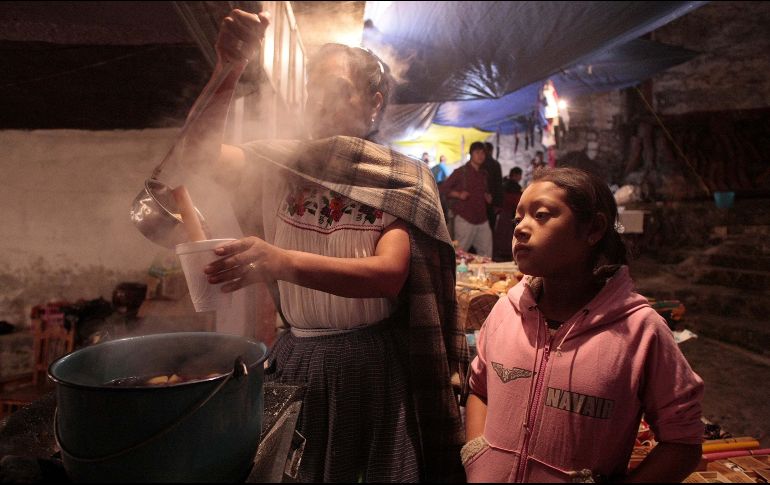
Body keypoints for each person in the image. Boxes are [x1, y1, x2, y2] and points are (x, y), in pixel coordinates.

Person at [160, 8, 468, 483]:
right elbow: (196, 151)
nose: (319, 102)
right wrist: (229, 66)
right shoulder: (280, 167)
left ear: (373, 103)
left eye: (338, 89)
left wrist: (279, 261)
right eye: (312, 90)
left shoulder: (399, 179)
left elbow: (388, 275)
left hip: (372, 365)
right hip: (299, 358)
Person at [462, 167, 704, 482]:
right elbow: (479, 389)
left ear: (593, 229)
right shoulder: (505, 312)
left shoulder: (641, 331)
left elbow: (683, 442)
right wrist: (477, 458)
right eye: (517, 219)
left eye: (542, 215)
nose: (520, 228)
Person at [439, 142, 493, 257]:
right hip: (465, 218)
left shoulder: (484, 174)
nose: (481, 156)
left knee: (487, 254)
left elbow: (483, 191)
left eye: (483, 153)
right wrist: (458, 194)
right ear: (471, 154)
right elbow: (442, 189)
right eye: (477, 152)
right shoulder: (460, 172)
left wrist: (486, 196)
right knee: (459, 254)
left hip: (482, 218)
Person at [492, 167, 522, 261]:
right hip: (509, 214)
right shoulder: (514, 186)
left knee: (501, 235)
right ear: (516, 175)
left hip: (503, 214)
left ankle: (500, 255)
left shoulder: (505, 183)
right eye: (519, 175)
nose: (520, 177)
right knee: (507, 236)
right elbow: (516, 201)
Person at [482, 142, 503, 231]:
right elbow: (499, 184)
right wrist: (498, 203)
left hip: (482, 200)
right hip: (492, 200)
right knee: (490, 227)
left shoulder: (480, 164)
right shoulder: (495, 164)